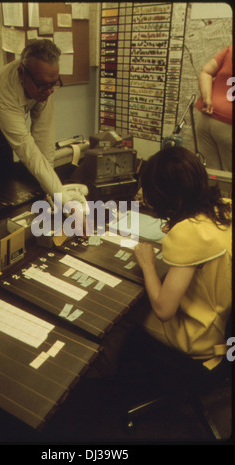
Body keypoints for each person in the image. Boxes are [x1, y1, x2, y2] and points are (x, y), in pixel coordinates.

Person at [0, 39, 81, 211]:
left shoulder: (43, 84)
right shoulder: (2, 92)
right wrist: (67, 204)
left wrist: (51, 191)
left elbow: (44, 135)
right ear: (21, 73)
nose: (49, 91)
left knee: (6, 185)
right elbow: (30, 153)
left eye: (53, 83)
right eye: (43, 85)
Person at [132, 146, 232, 373]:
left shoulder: (188, 233)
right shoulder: (224, 207)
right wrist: (179, 222)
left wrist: (147, 264)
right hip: (222, 324)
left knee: (125, 316)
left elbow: (164, 311)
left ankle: (122, 381)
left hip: (200, 338)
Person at [195, 45, 232, 171]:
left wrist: (207, 98)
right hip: (228, 124)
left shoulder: (230, 49)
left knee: (209, 171)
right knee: (229, 176)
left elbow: (206, 71)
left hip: (205, 117)